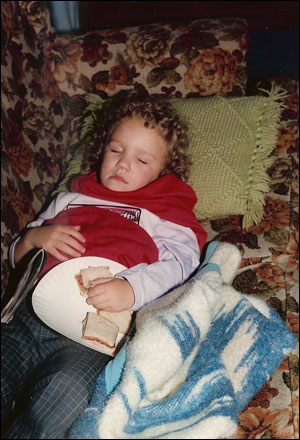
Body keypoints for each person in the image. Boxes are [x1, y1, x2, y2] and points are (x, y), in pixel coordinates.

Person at [1, 92, 207, 439]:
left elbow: (180, 267)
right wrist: (35, 240)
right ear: (102, 149)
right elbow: (19, 257)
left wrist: (132, 288)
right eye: (116, 150)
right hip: (24, 319)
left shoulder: (168, 214)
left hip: (94, 335)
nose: (123, 164)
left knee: (66, 394)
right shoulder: (71, 197)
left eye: (142, 160)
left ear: (164, 171)